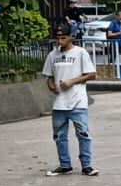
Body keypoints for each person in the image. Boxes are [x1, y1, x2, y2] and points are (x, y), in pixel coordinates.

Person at [42, 24, 98, 176]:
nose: (60, 41)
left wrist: (72, 81)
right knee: (59, 136)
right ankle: (65, 165)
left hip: (78, 102)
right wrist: (51, 86)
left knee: (83, 134)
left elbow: (92, 74)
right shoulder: (52, 55)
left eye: (63, 38)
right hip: (59, 103)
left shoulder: (80, 53)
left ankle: (87, 165)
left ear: (70, 37)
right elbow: (49, 76)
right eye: (58, 38)